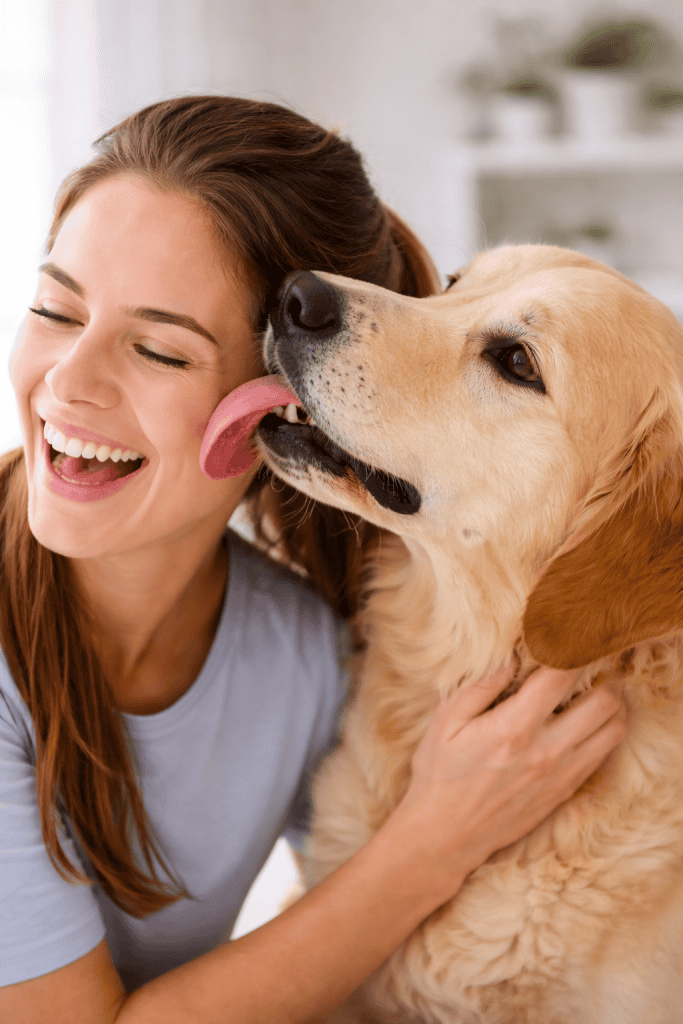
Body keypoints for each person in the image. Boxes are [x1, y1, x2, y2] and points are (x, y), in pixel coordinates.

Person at [0, 95, 626, 1023]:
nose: (68, 381)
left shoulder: (298, 649)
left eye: (158, 351)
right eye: (56, 308)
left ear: (271, 406)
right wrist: (431, 839)